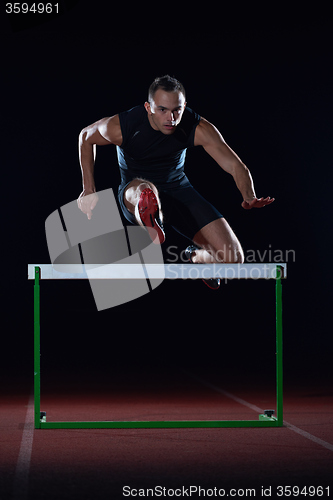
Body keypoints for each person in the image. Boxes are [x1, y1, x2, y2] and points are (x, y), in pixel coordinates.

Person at [77, 75, 274, 289]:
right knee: (145, 190)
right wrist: (88, 189)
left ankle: (197, 257)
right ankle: (150, 219)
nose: (171, 118)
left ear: (184, 106)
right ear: (148, 107)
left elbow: (236, 166)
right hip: (134, 194)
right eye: (162, 110)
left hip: (179, 192)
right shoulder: (124, 125)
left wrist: (249, 196)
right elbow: (86, 137)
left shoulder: (195, 126)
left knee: (234, 260)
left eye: (176, 110)